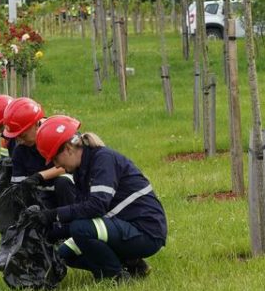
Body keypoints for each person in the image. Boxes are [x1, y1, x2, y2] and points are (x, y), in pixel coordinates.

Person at [30, 115, 167, 281]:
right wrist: (49, 232)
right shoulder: (82, 169)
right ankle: (132, 264)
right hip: (123, 226)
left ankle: (115, 277)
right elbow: (83, 212)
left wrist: (53, 215)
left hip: (146, 231)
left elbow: (96, 207)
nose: (56, 166)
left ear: (68, 148)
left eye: (55, 159)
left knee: (80, 229)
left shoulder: (103, 160)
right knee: (63, 255)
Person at [2, 97, 76, 207]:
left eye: (23, 135)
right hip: (45, 198)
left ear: (36, 125)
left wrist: (40, 176)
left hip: (72, 192)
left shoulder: (59, 132)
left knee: (63, 182)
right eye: (16, 137)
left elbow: (72, 163)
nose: (19, 140)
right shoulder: (20, 151)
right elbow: (18, 188)